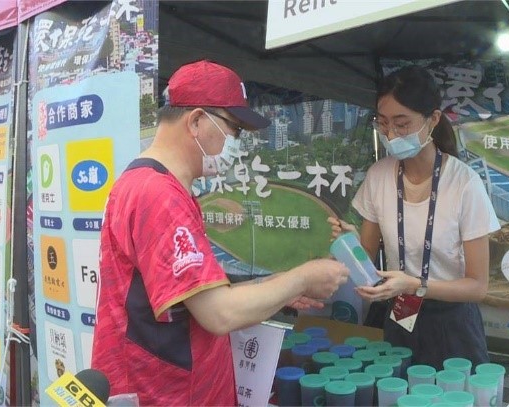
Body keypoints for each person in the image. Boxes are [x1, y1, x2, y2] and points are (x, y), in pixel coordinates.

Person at [91, 60, 349, 406]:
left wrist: (275, 288)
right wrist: (303, 277)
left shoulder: (154, 185)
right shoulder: (158, 194)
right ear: (197, 121)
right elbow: (218, 313)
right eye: (234, 129)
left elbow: (193, 298)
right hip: (165, 394)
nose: (235, 143)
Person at [328, 65, 500, 369]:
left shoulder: (464, 183)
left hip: (453, 320)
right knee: (397, 388)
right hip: (401, 313)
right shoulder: (379, 176)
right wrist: (350, 244)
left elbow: (477, 286)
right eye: (383, 123)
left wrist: (414, 285)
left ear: (433, 119)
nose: (391, 134)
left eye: (402, 124)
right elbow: (367, 260)